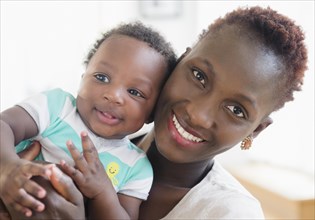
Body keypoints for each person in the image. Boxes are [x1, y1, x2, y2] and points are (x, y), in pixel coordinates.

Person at [3, 5, 308, 219]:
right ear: (180, 62)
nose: (199, 116)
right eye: (199, 76)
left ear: (255, 130)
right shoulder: (112, 142)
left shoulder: (230, 213)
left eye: (236, 109)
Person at [0, 21, 177, 219]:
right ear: (83, 78)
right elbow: (4, 124)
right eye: (101, 77)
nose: (113, 95)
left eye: (134, 92)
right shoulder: (57, 107)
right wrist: (7, 166)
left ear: (151, 114)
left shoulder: (136, 168)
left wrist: (103, 193)